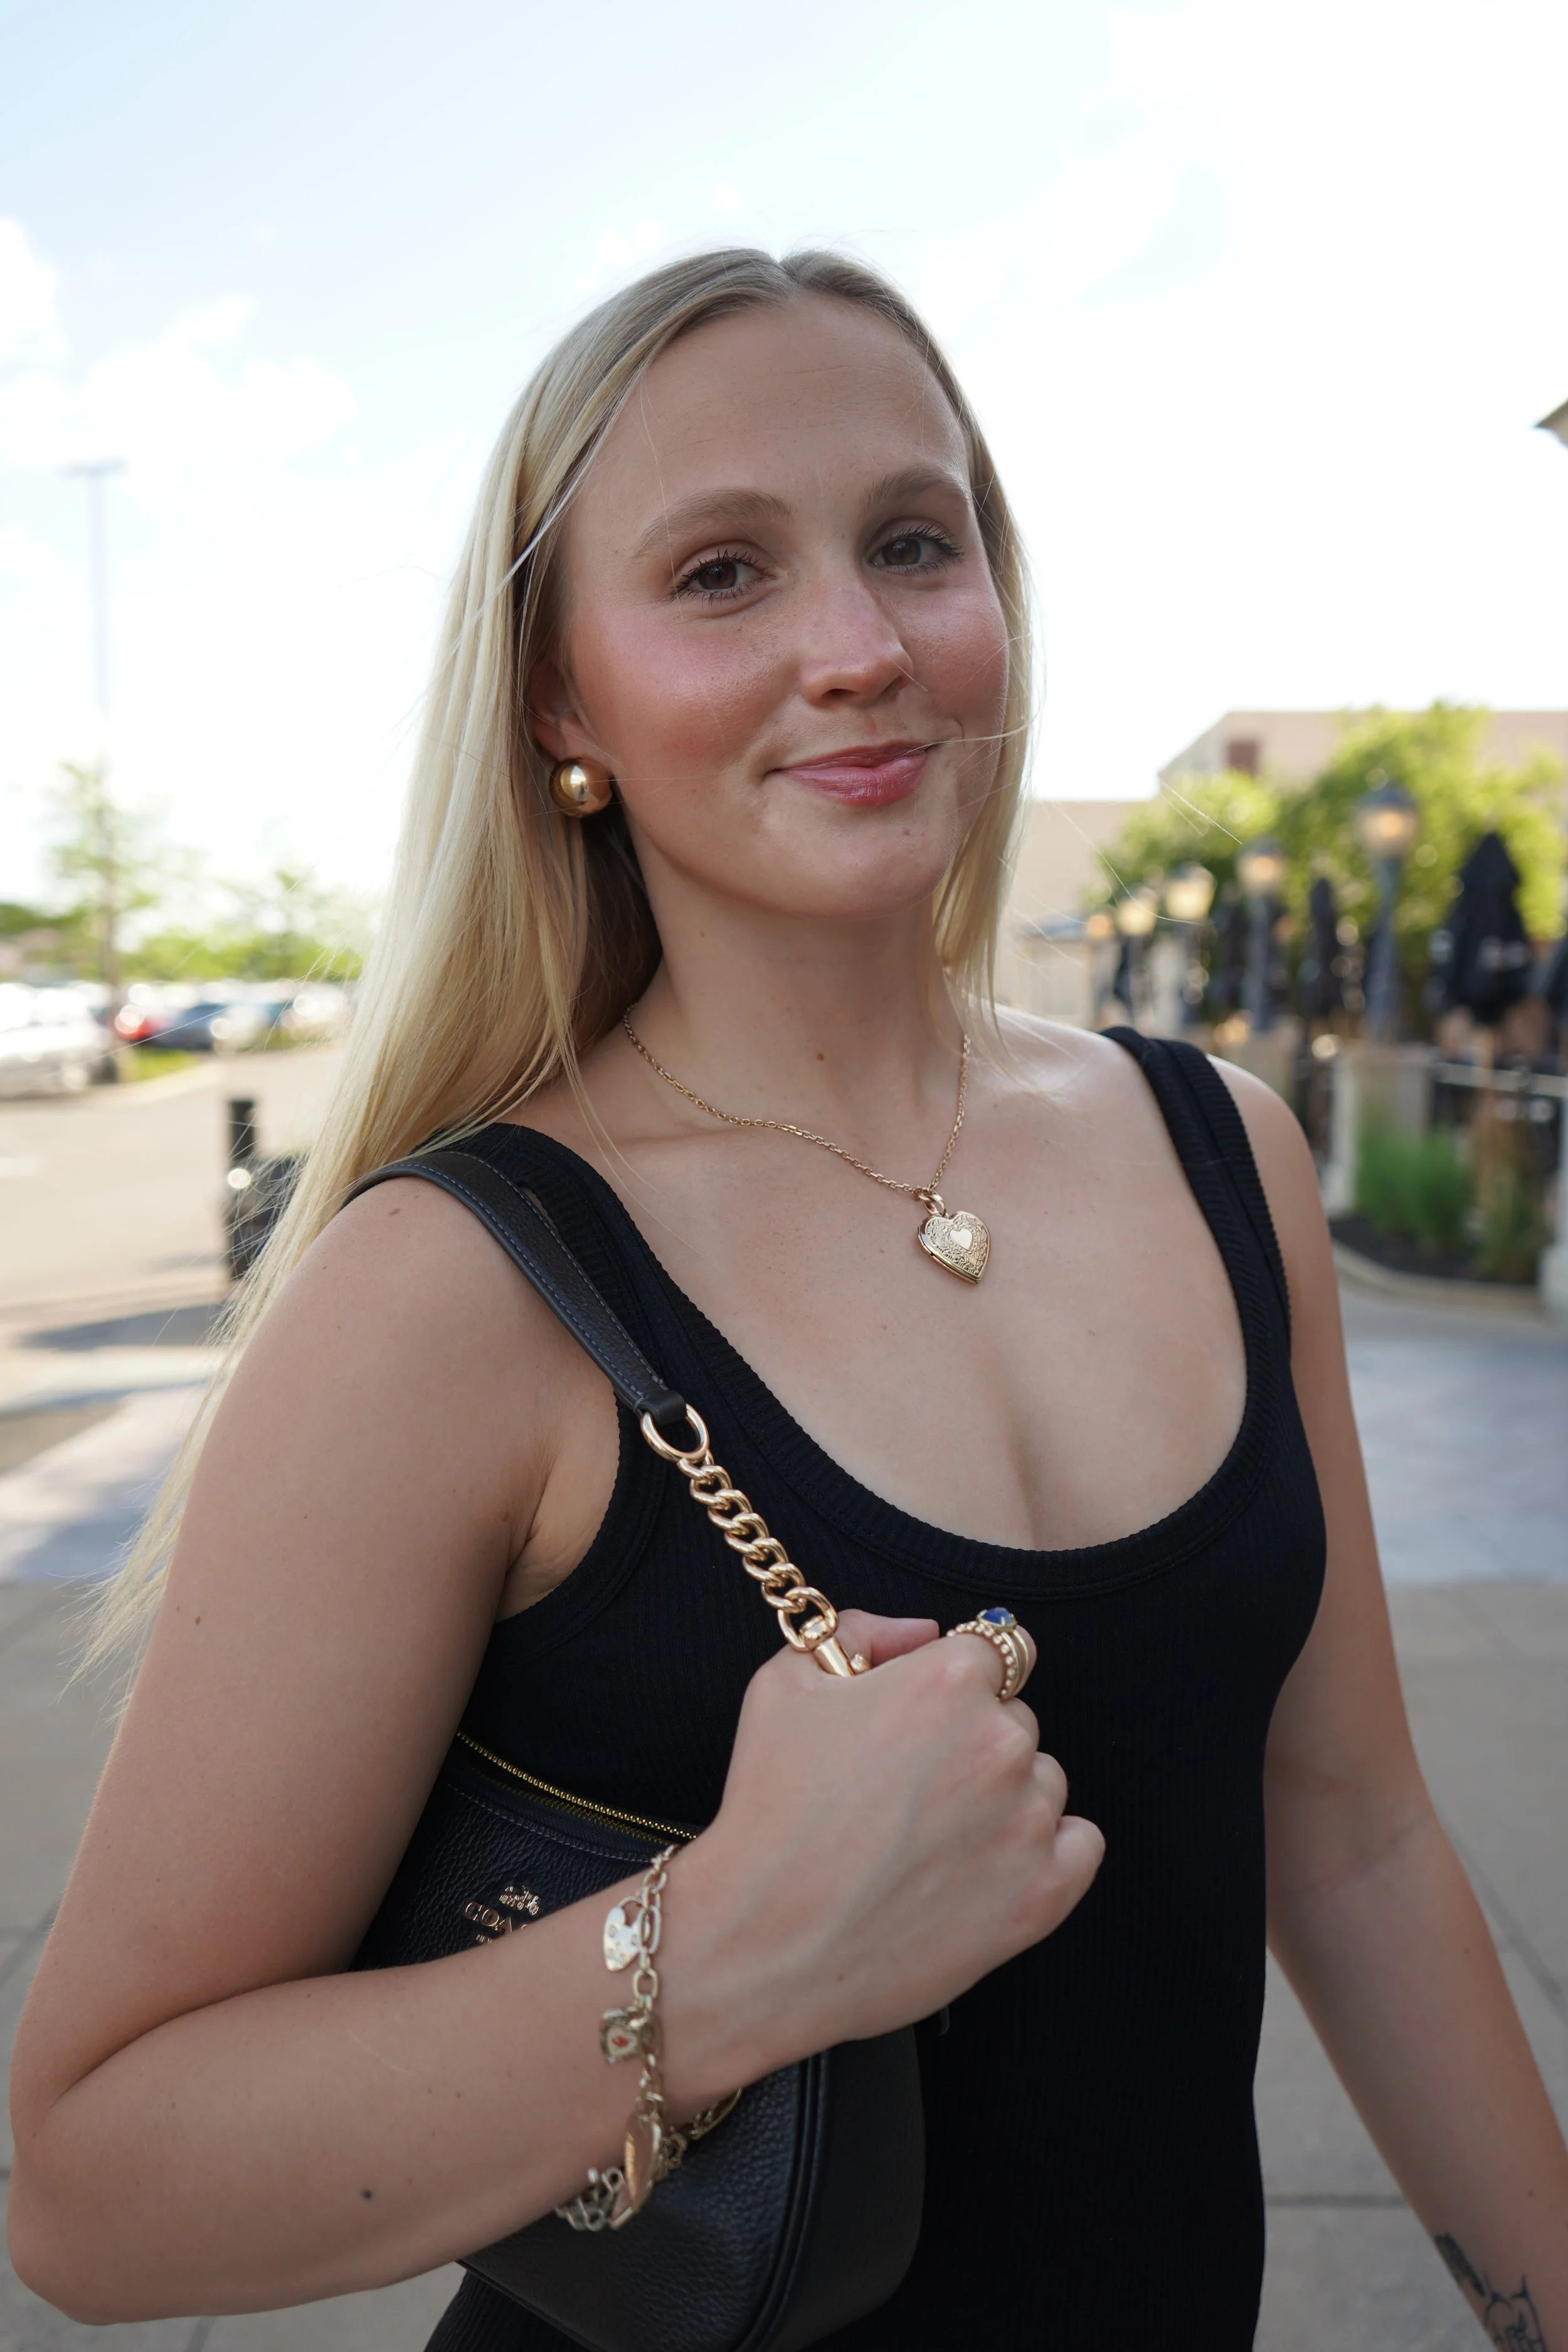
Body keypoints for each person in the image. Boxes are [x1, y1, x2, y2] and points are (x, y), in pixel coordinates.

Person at [9, 249, 1566, 2351]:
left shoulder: (1228, 1155)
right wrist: (729, 1949)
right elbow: (96, 2187)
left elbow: (1355, 1837)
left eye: (913, 544)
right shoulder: (453, 1288)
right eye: (723, 571)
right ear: (559, 702)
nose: (856, 645)